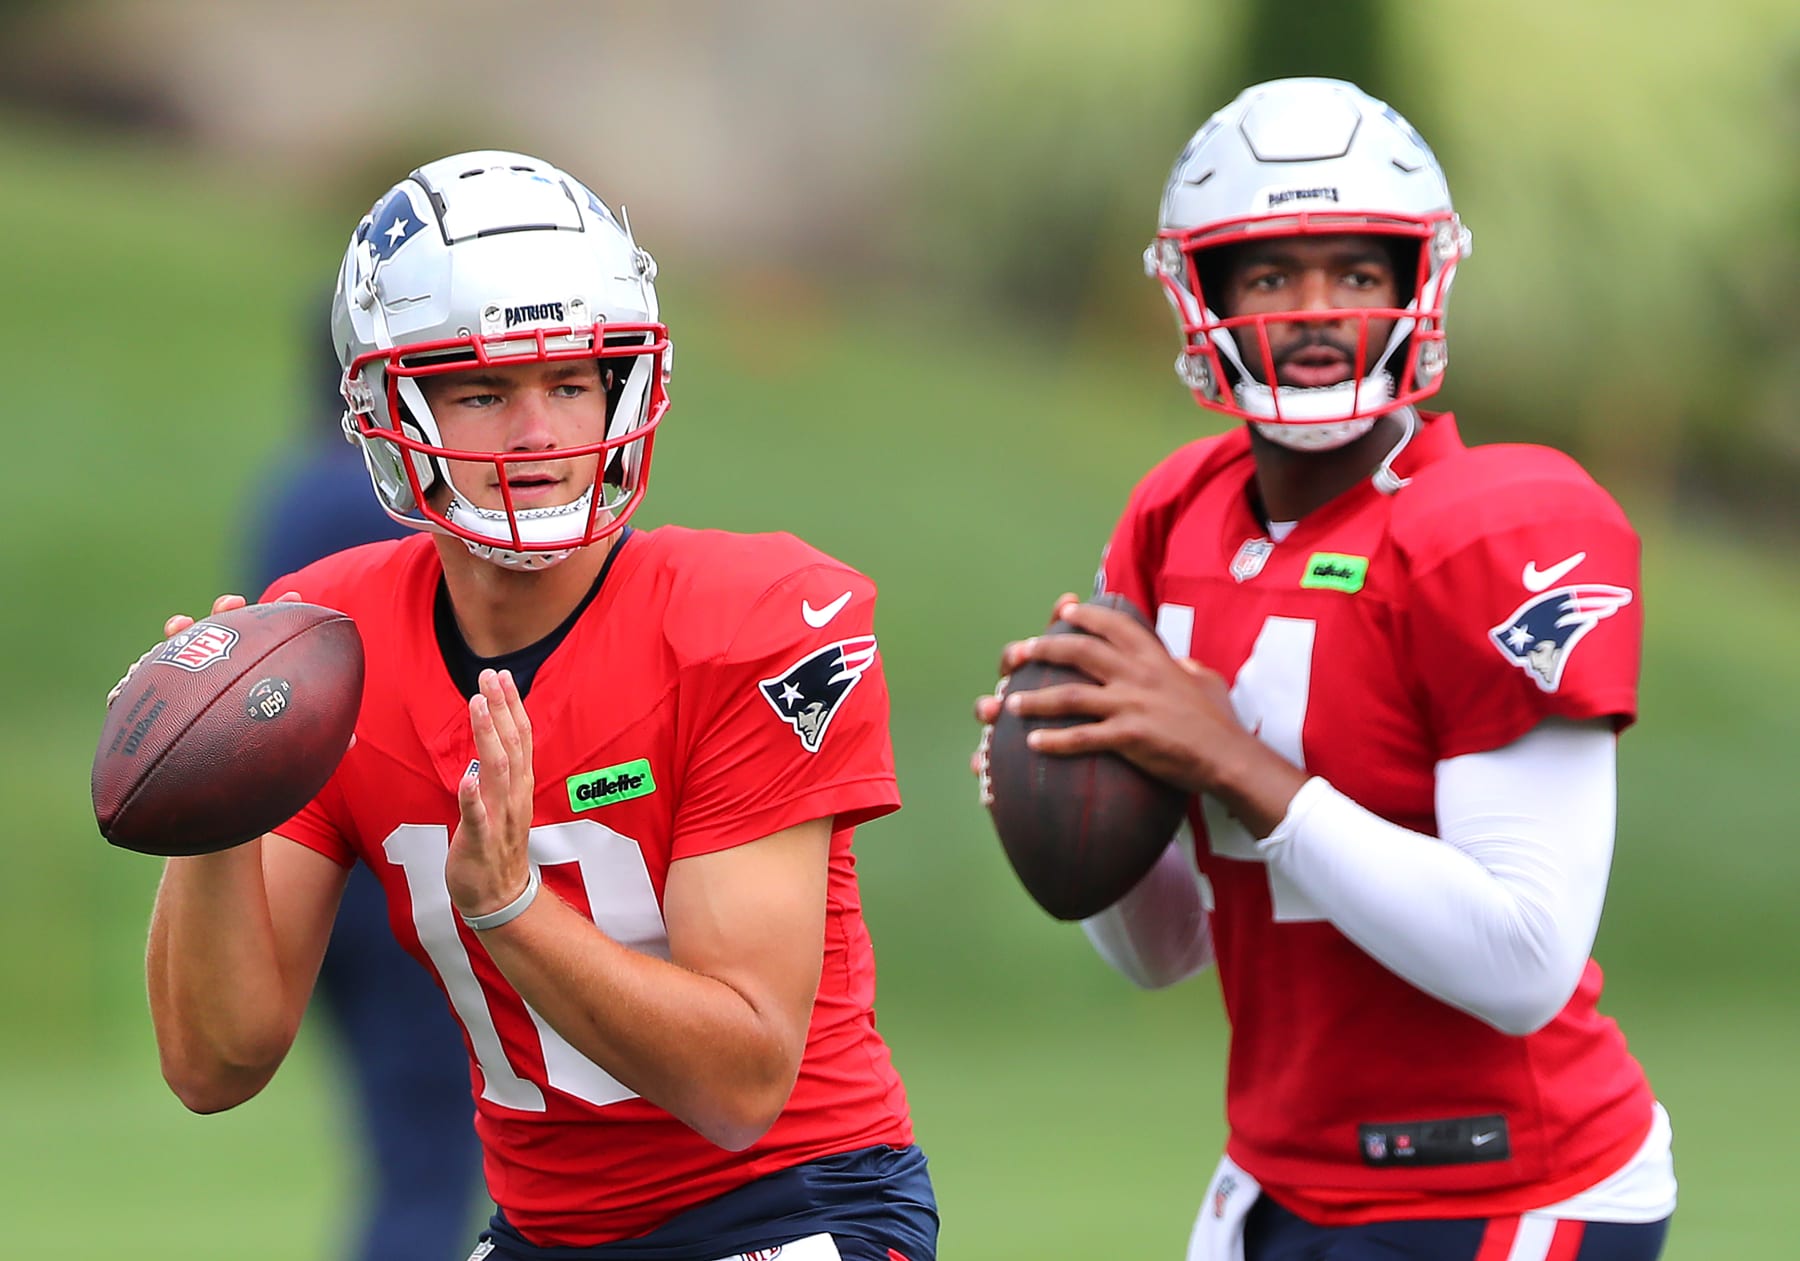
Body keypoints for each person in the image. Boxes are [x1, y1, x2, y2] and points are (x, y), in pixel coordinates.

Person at [135, 150, 937, 1261]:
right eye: (482, 390)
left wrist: (512, 909)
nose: (541, 433)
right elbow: (215, 1066)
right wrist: (212, 808)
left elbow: (743, 1081)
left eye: (570, 381)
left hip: (796, 1207)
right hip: (545, 1232)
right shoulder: (330, 643)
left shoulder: (751, 620)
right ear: (385, 405)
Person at [973, 79, 1675, 1260]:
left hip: (1505, 1185)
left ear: (1415, 286)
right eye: (1270, 274)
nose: (1314, 312)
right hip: (1276, 1171)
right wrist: (1071, 777)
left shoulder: (1500, 527)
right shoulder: (1176, 517)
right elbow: (1162, 948)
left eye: (1355, 272)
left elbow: (1523, 961)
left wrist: (1234, 764)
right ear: (1202, 292)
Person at [244, 332, 486, 1261]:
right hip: (389, 859)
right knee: (429, 1169)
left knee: (400, 1154)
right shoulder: (382, 502)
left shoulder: (291, 490)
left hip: (304, 862)